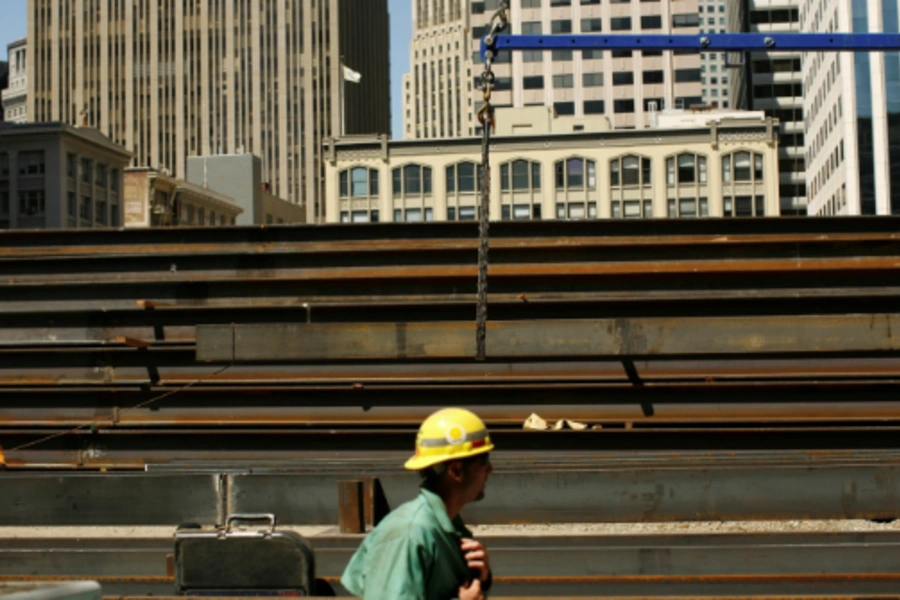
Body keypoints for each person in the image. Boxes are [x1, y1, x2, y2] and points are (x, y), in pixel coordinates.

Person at [341, 407, 495, 600]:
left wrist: (481, 579)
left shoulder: (445, 527)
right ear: (456, 470)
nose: (490, 469)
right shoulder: (408, 534)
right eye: (483, 460)